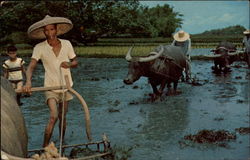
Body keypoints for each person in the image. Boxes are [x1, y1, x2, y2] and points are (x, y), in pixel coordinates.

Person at [23, 15, 78, 147]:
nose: (49, 33)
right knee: (53, 116)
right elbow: (31, 66)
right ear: (44, 32)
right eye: (46, 30)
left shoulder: (67, 44)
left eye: (52, 29)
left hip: (66, 86)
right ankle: (45, 147)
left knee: (62, 117)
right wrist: (28, 82)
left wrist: (69, 64)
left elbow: (75, 61)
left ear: (56, 30)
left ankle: (61, 143)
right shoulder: (39, 47)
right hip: (50, 87)